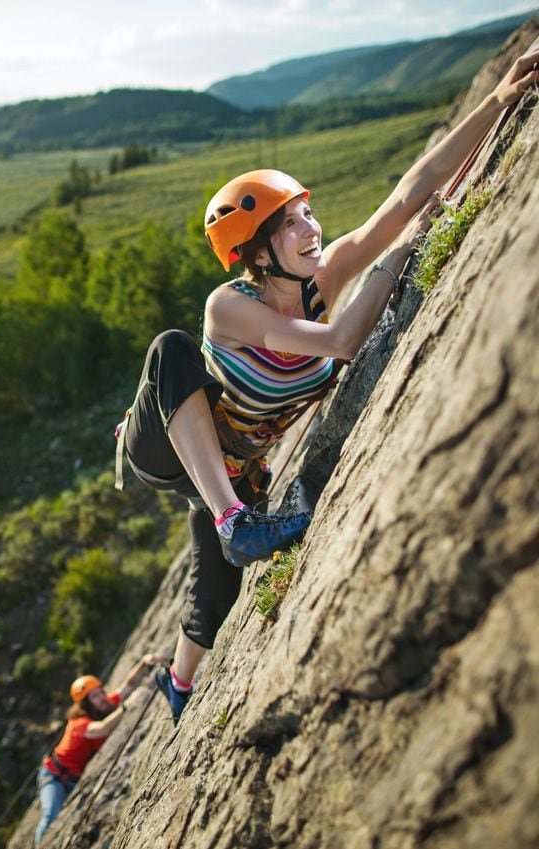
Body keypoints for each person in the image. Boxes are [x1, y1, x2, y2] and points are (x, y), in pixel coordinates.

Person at [116, 49, 539, 723]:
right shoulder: (231, 307)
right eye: (290, 223)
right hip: (165, 446)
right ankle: (234, 518)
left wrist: (500, 99)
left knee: (215, 588)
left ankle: (179, 680)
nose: (311, 229)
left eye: (307, 212)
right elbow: (340, 343)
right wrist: (397, 258)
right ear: (257, 253)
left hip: (231, 463)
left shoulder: (324, 279)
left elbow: (409, 193)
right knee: (169, 350)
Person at [34, 654, 165, 846]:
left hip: (72, 778)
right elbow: (102, 729)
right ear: (86, 704)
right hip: (53, 775)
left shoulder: (102, 707)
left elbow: (127, 686)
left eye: (100, 692)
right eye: (95, 696)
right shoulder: (79, 723)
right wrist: (126, 708)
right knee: (51, 813)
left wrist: (144, 662)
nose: (102, 698)